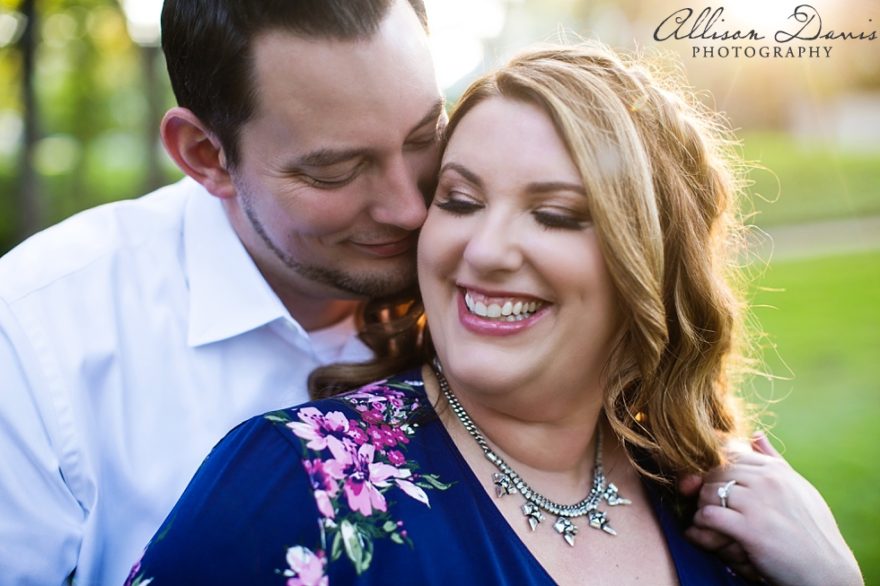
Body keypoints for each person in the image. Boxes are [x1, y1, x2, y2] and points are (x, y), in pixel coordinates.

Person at [124, 42, 863, 585]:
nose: (483, 250)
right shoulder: (292, 484)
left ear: (649, 264)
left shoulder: (721, 516)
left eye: (555, 214)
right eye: (460, 200)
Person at [0, 1, 445, 584]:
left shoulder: (497, 280)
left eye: (424, 136)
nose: (410, 209)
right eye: (336, 170)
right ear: (205, 155)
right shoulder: (35, 337)